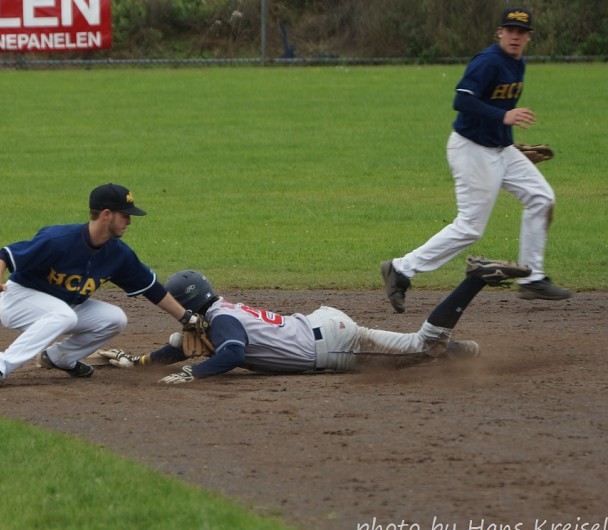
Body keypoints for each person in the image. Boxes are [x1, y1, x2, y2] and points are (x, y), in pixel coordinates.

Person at [380, 6, 570, 314]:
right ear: (500, 33)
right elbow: (462, 100)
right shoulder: (488, 61)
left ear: (529, 37)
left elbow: (497, 108)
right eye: (510, 30)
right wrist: (503, 118)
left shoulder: (517, 63)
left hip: (500, 149)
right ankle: (400, 269)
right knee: (470, 227)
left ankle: (532, 279)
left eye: (521, 32)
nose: (515, 36)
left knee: (541, 197)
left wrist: (509, 143)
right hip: (472, 150)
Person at [99, 257, 530, 384]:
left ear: (189, 302)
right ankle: (457, 353)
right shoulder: (218, 313)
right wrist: (140, 362)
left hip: (332, 345)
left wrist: (192, 374)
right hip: (323, 325)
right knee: (415, 353)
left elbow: (229, 353)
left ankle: (473, 280)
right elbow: (180, 346)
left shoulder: (221, 323)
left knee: (422, 347)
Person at [0, 183, 201, 387]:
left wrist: (187, 318)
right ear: (106, 215)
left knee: (115, 318)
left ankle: (60, 357)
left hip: (63, 306)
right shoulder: (59, 239)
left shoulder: (118, 254)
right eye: (125, 215)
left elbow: (152, 288)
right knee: (63, 316)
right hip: (20, 299)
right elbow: (5, 254)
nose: (129, 221)